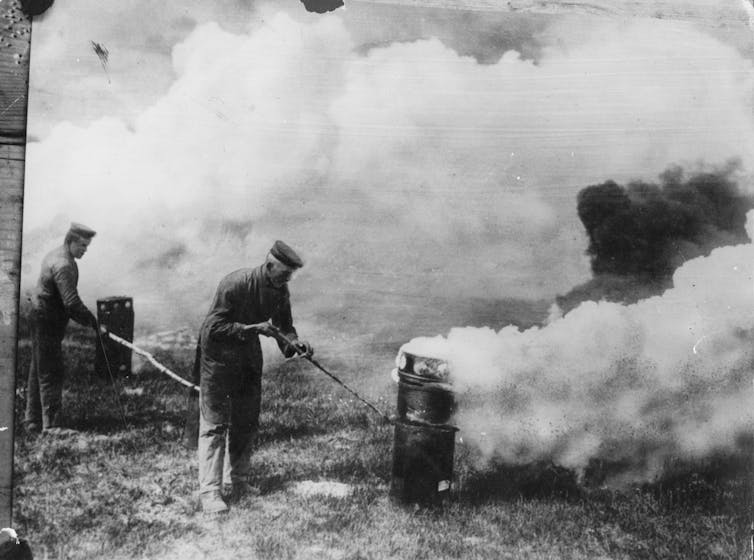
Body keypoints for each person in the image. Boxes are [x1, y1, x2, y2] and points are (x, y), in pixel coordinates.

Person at [196, 240, 313, 514]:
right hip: (218, 359)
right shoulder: (235, 283)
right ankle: (210, 491)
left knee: (245, 421)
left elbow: (285, 327)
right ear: (270, 266)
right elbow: (212, 327)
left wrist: (295, 345)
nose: (288, 280)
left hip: (247, 357)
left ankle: (238, 481)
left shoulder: (280, 290)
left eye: (291, 275)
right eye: (285, 274)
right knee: (214, 424)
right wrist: (252, 328)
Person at [24, 223, 99, 434]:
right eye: (82, 245)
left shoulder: (57, 255)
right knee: (51, 370)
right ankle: (52, 426)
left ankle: (32, 421)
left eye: (87, 246)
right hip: (46, 320)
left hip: (42, 317)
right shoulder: (64, 264)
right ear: (70, 241)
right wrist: (93, 322)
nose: (85, 250)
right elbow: (71, 303)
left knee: (38, 368)